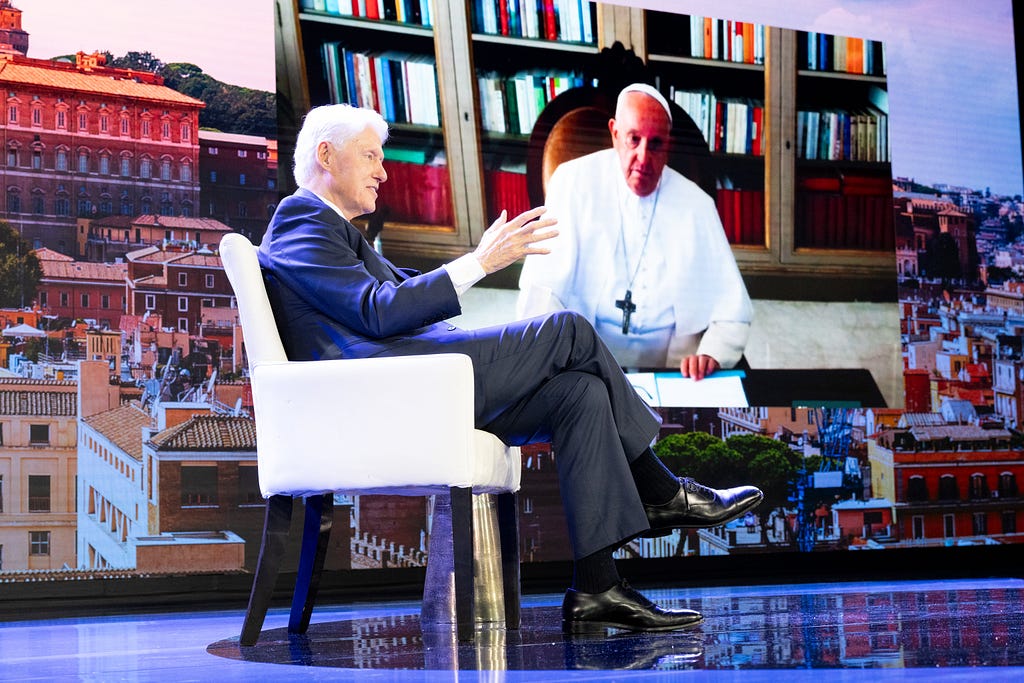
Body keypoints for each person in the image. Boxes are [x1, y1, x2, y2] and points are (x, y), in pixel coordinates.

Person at [257, 103, 763, 633]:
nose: (384, 171)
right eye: (370, 157)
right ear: (325, 155)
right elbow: (380, 312)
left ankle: (597, 589)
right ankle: (662, 492)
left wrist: (470, 279)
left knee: (580, 392)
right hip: (396, 390)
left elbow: (394, 297)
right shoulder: (299, 220)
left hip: (415, 381)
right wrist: (481, 262)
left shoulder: (336, 230)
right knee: (567, 329)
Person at [517, 83, 753, 381]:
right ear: (615, 134)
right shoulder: (572, 182)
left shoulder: (696, 204)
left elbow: (731, 307)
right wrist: (550, 355)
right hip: (585, 354)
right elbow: (542, 289)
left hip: (672, 364)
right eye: (633, 139)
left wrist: (711, 353)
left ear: (669, 144)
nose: (643, 157)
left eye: (655, 144)